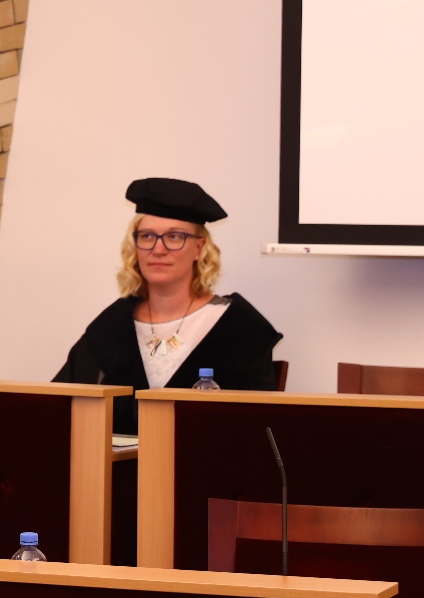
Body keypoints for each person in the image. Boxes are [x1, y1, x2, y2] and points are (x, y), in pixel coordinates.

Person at [54, 178, 283, 433]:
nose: (158, 249)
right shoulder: (112, 326)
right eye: (147, 236)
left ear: (199, 248)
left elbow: (257, 431)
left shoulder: (238, 327)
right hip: (116, 459)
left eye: (174, 237)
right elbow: (58, 411)